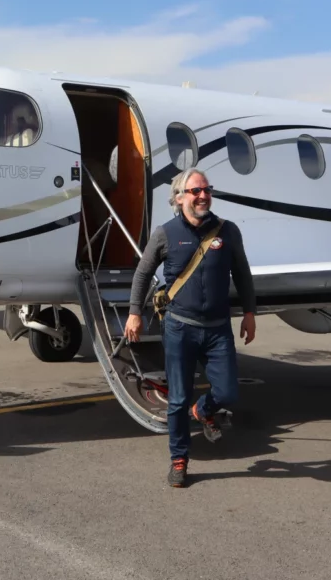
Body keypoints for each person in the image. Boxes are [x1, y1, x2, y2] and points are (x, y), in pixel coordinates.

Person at [123, 168, 257, 488]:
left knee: (227, 391)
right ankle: (179, 459)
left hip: (218, 329)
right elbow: (143, 274)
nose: (203, 195)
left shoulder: (228, 231)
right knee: (178, 399)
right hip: (180, 328)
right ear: (179, 197)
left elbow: (242, 273)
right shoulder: (166, 233)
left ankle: (205, 409)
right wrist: (134, 313)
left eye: (206, 190)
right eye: (195, 191)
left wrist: (250, 313)